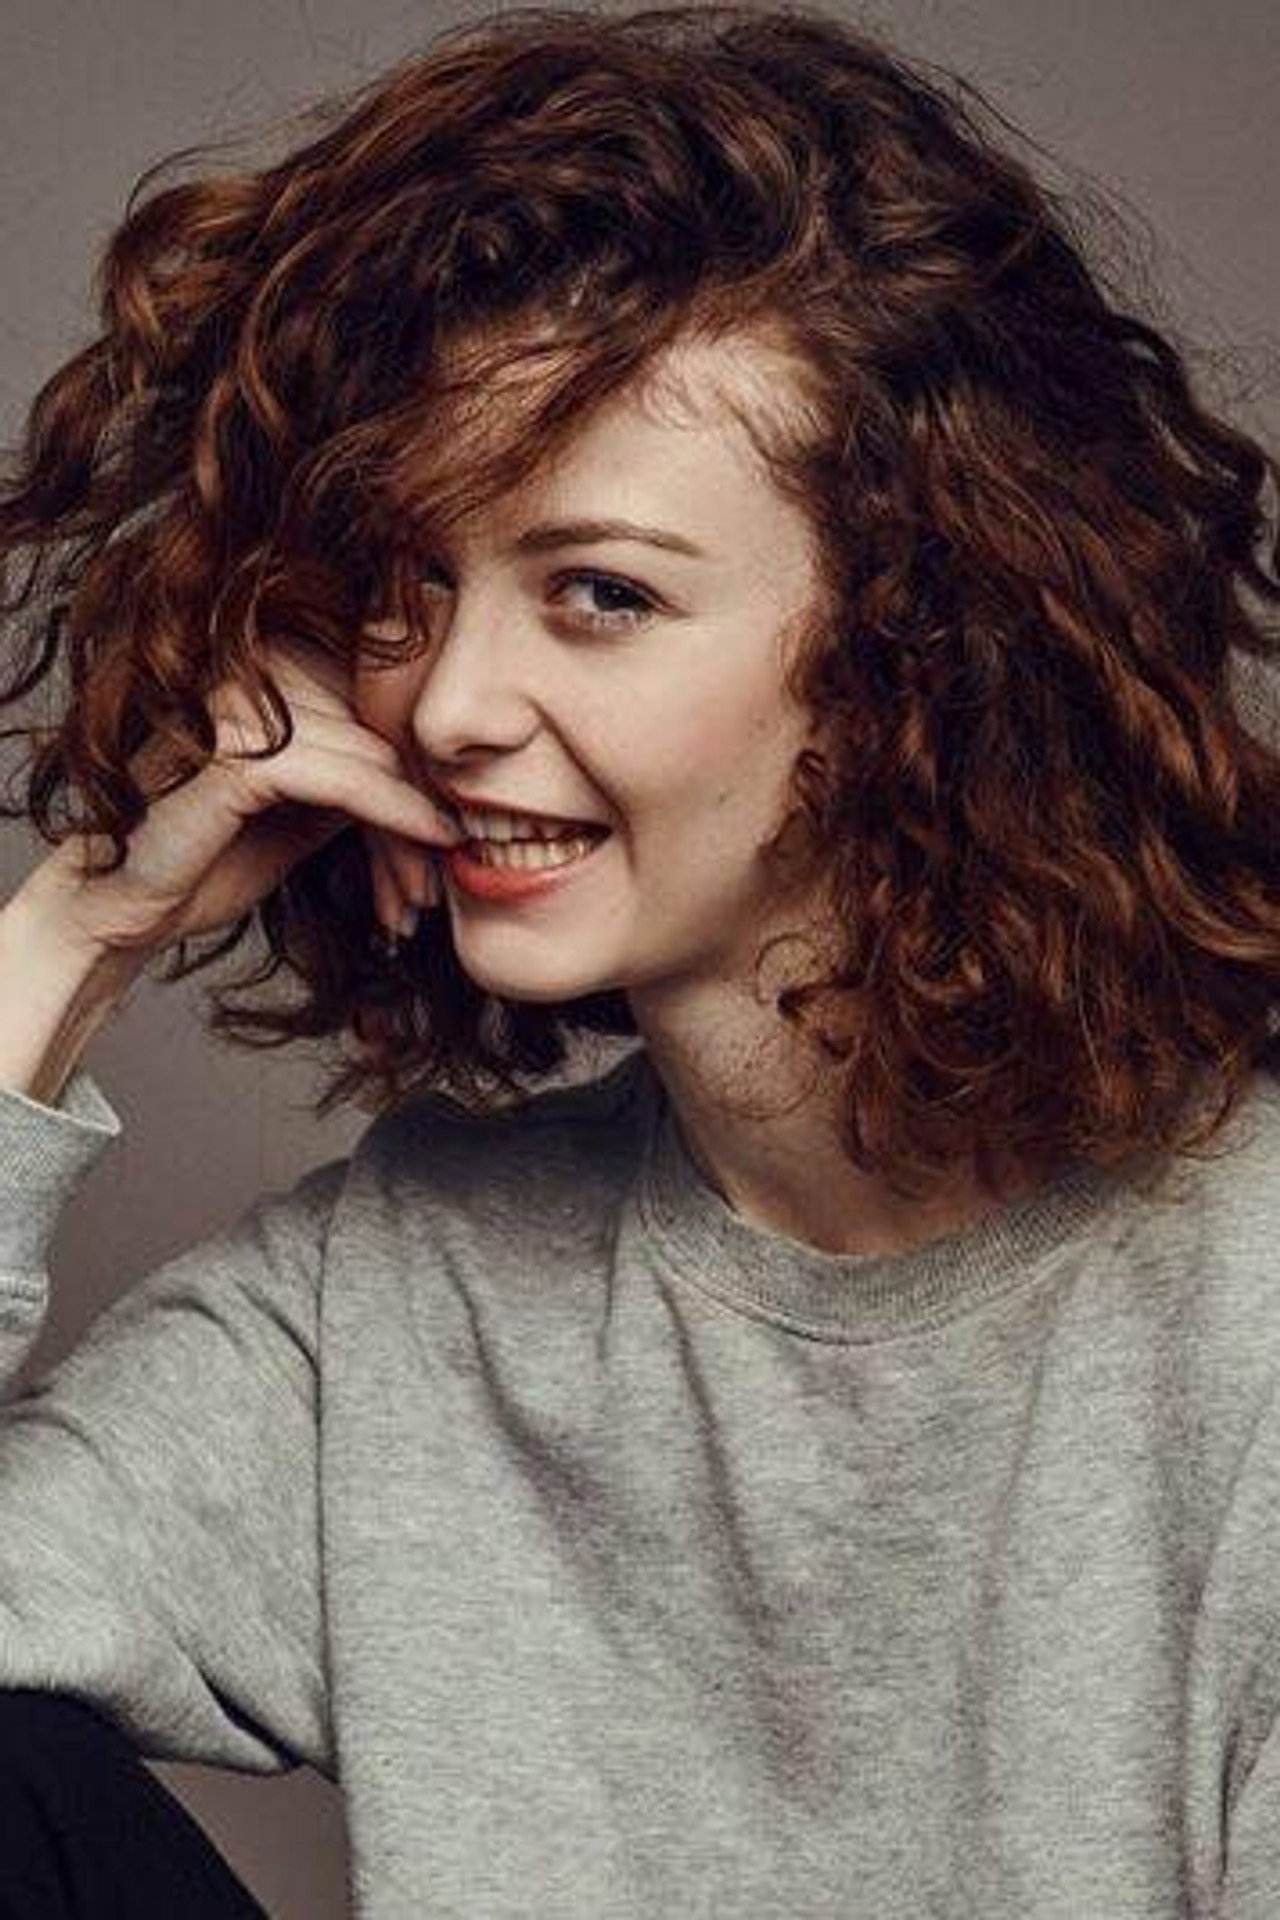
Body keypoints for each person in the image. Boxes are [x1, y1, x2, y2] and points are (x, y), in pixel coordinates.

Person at [1, 1, 1279, 1913]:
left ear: (923, 645)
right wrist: (72, 937)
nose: (449, 703)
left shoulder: (1245, 1309)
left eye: (599, 595)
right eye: (413, 586)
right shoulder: (407, 1290)